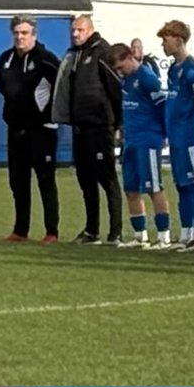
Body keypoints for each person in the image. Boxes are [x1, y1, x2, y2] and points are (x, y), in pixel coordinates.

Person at [54, 14, 124, 245]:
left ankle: (115, 232)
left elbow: (115, 89)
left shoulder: (102, 52)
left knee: (107, 179)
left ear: (90, 30)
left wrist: (118, 125)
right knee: (85, 181)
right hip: (79, 128)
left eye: (80, 30)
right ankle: (91, 230)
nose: (75, 34)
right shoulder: (74, 55)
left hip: (100, 127)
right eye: (73, 30)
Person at [0, 14, 61, 243]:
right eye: (16, 33)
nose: (20, 37)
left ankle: (51, 231)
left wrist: (49, 114)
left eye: (24, 33)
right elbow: (5, 89)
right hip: (16, 130)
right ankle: (20, 230)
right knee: (18, 181)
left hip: (41, 130)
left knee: (45, 180)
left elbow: (62, 86)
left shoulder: (45, 59)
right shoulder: (6, 58)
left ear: (34, 35)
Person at [107, 43, 171, 247]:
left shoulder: (147, 78)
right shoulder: (126, 80)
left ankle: (163, 235)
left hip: (148, 139)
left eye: (120, 66)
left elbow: (162, 107)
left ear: (129, 57)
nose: (119, 72)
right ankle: (140, 235)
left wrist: (163, 134)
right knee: (131, 188)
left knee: (153, 186)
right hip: (131, 140)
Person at [158, 20, 194, 251]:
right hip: (176, 136)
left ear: (178, 40)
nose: (163, 44)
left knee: (193, 184)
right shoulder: (173, 69)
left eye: (165, 39)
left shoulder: (193, 70)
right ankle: (186, 232)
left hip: (189, 136)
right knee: (180, 185)